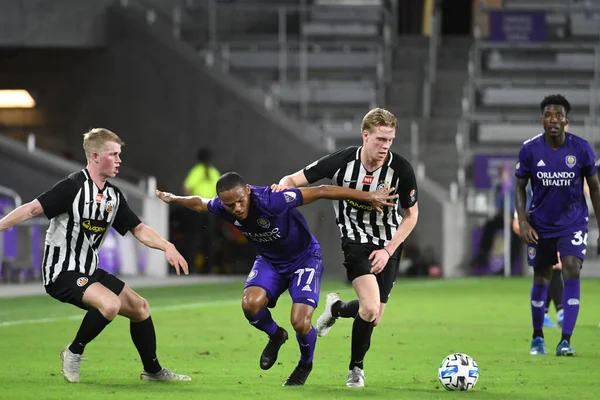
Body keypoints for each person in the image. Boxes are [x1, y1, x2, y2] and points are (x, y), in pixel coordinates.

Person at [156, 172, 397, 386]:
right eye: (230, 205)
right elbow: (200, 203)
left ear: (248, 190)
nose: (237, 208)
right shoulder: (223, 205)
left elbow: (322, 191)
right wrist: (174, 198)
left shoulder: (273, 199)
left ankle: (305, 363)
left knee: (300, 322)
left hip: (305, 258)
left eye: (240, 200)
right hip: (270, 261)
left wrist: (368, 197)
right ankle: (275, 336)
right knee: (250, 305)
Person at [0, 128, 191, 382]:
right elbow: (33, 208)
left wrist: (167, 246)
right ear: (95, 156)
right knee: (110, 304)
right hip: (62, 272)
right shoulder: (72, 187)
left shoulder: (113, 195)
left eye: (119, 154)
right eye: (114, 154)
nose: (119, 160)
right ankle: (73, 351)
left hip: (88, 271)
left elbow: (139, 228)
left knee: (140, 308)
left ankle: (153, 372)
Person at [272, 107, 419, 387]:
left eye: (390, 141)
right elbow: (293, 179)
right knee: (370, 306)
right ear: (365, 135)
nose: (385, 147)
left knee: (372, 317)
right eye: (380, 140)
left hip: (388, 244)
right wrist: (282, 187)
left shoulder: (400, 169)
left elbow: (412, 215)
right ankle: (356, 369)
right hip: (355, 240)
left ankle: (336, 309)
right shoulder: (341, 161)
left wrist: (388, 250)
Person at [515, 94, 600, 356]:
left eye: (559, 115)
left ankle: (565, 340)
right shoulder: (530, 149)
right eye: (549, 115)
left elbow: (595, 188)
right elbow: (519, 187)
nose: (554, 120)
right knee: (542, 276)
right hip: (540, 223)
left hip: (573, 222)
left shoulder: (581, 148)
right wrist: (523, 221)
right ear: (542, 119)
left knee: (572, 269)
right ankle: (537, 337)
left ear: (566, 121)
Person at [511, 183, 563, 328]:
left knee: (554, 269)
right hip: (537, 238)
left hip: (552, 235)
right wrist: (530, 233)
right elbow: (516, 224)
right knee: (547, 271)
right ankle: (553, 313)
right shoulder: (525, 194)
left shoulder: (554, 191)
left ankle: (551, 313)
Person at [182, 148, 221, 273]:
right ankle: (207, 268)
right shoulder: (214, 172)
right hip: (210, 208)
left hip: (196, 208)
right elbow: (221, 191)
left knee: (193, 239)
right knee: (209, 240)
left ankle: (191, 267)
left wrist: (187, 203)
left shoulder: (196, 171)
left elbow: (187, 187)